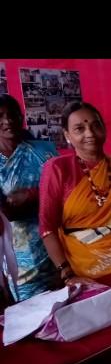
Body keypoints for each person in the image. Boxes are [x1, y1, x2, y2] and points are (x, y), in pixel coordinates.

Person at [39, 102, 111, 286]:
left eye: (95, 125)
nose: (90, 133)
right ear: (67, 135)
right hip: (85, 277)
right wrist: (67, 275)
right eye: (79, 129)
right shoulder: (58, 169)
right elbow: (47, 228)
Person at [0, 93, 59, 300]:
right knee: (35, 318)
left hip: (60, 248)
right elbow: (8, 213)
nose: (7, 121)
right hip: (22, 259)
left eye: (13, 114)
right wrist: (45, 196)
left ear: (21, 116)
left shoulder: (43, 150)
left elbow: (66, 191)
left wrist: (31, 195)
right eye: (1, 115)